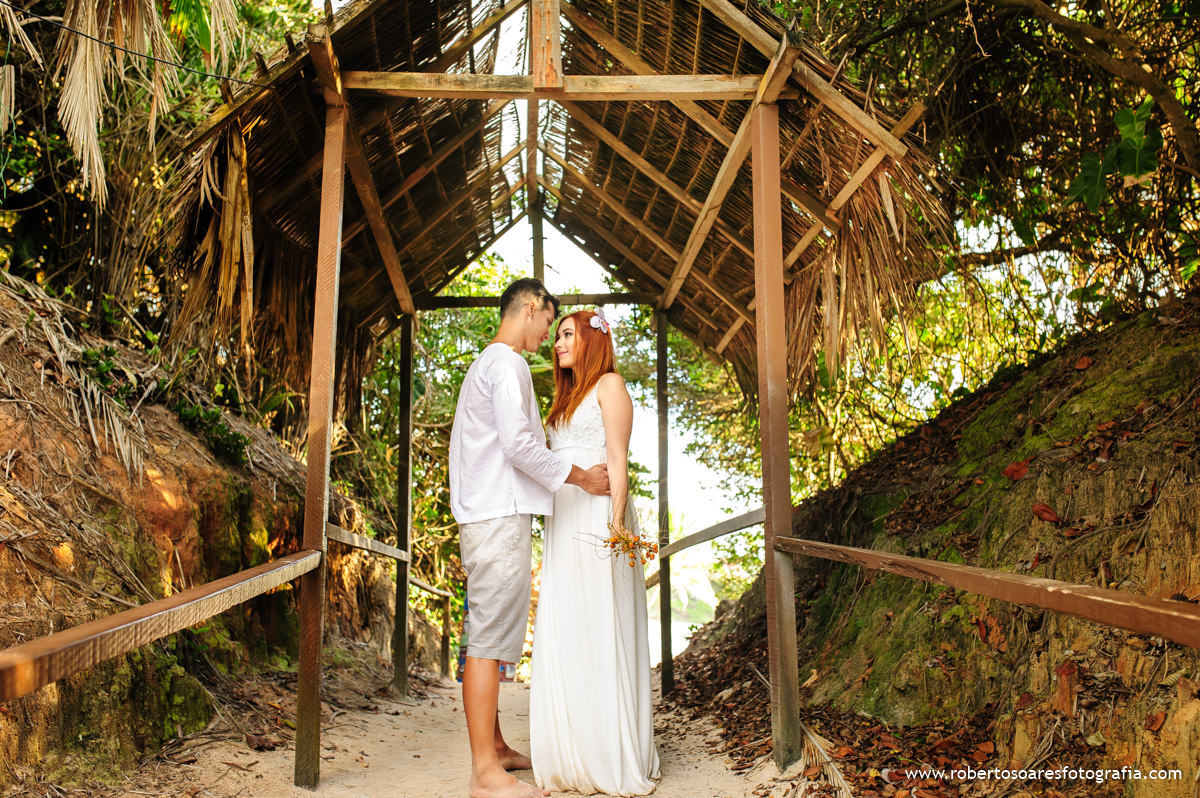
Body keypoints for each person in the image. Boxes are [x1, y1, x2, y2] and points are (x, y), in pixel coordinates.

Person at [449, 279, 611, 798]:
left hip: (490, 512)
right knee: (488, 642)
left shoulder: (488, 364)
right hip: (498, 514)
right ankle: (483, 774)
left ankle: (495, 748)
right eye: (548, 322)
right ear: (533, 307)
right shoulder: (508, 363)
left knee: (492, 637)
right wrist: (582, 477)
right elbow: (521, 445)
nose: (549, 335)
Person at [529, 308, 661, 796]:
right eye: (556, 335)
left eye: (566, 335)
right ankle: (569, 754)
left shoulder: (610, 385)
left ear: (590, 338)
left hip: (597, 519)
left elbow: (617, 459)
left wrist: (617, 525)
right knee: (566, 626)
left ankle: (608, 752)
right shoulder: (564, 400)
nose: (557, 343)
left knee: (600, 624)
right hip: (562, 522)